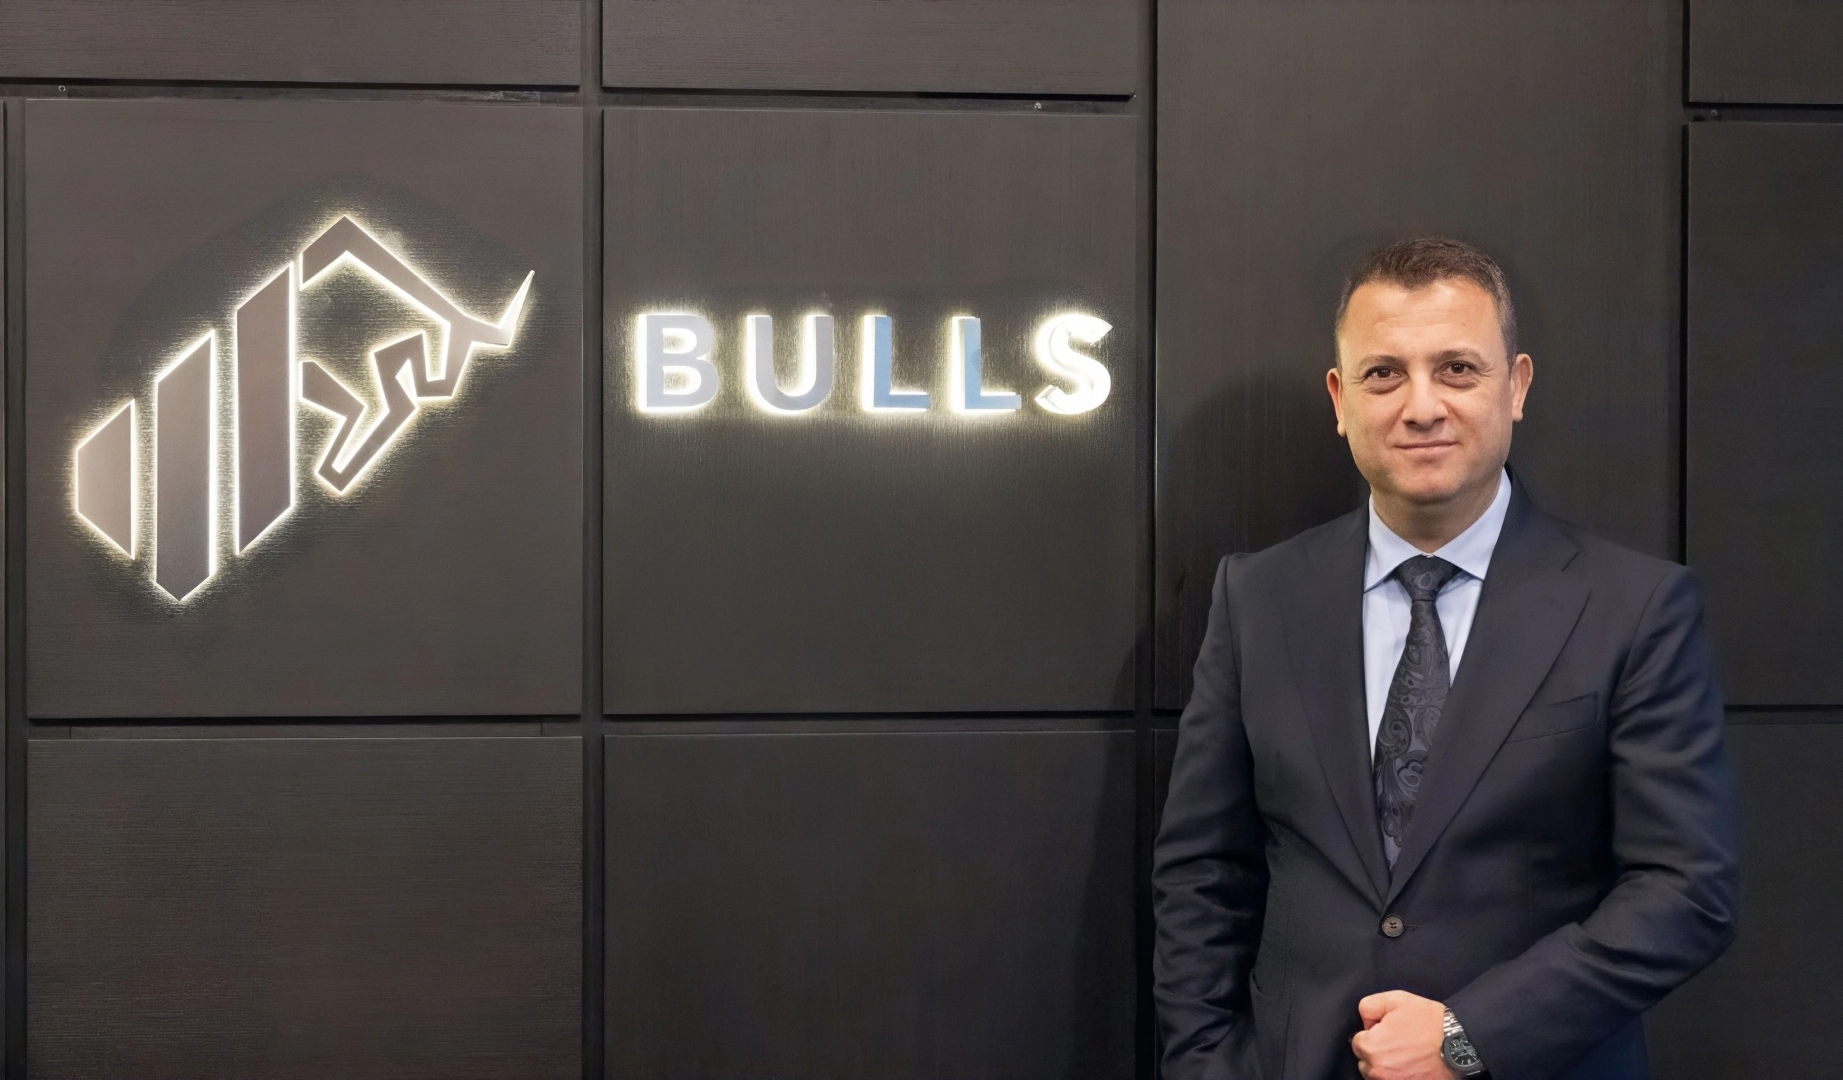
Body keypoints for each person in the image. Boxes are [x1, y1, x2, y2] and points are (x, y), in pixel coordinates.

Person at [1151, 238, 1738, 1080]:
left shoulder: (1635, 607)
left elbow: (1684, 890)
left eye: (1456, 369)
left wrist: (1470, 1036)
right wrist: (1205, 1063)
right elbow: (1201, 871)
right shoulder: (1257, 598)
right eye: (1383, 374)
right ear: (1340, 399)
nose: (1420, 406)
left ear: (1516, 385)